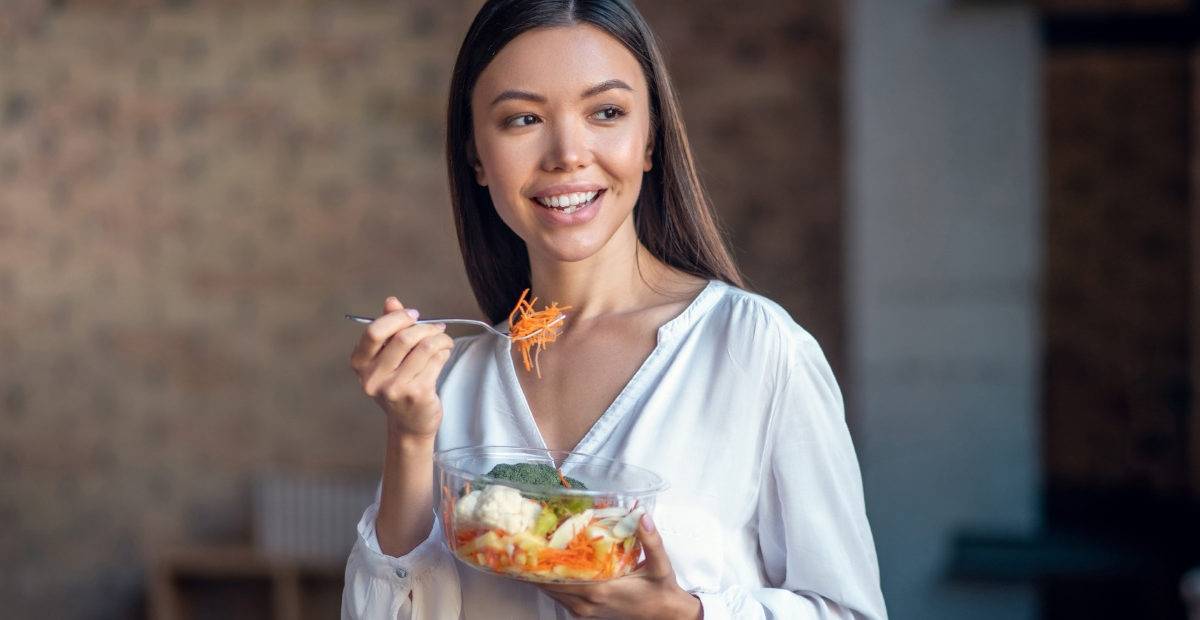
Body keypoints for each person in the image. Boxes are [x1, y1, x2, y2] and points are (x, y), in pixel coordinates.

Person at [342, 0, 887, 618]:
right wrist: (410, 437)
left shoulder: (755, 350)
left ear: (649, 140)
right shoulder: (448, 385)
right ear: (476, 159)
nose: (567, 153)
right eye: (522, 119)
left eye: (606, 112)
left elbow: (849, 611)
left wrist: (684, 613)